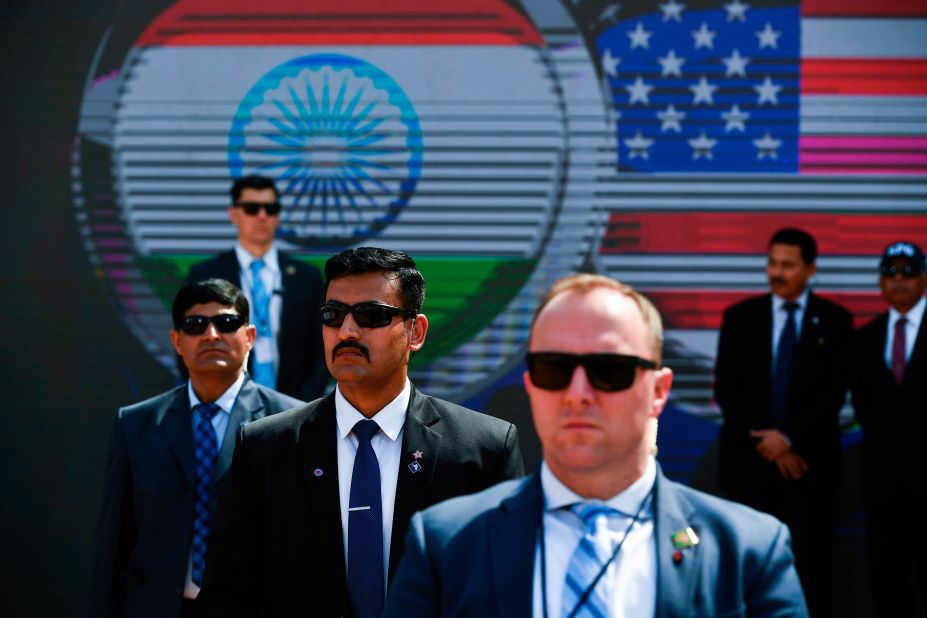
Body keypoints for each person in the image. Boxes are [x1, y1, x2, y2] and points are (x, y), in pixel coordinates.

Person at [384, 273, 808, 617]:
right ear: (532, 386)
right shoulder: (444, 544)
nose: (578, 393)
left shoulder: (749, 550)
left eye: (610, 369)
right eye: (555, 368)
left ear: (659, 391)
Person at [196, 247, 524, 618]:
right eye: (332, 315)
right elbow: (226, 594)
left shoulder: (484, 449)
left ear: (415, 331)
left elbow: (510, 592)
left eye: (371, 315)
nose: (347, 331)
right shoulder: (265, 447)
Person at [88, 279, 304, 618]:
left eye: (226, 323)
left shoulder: (290, 422)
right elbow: (114, 543)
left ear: (250, 337)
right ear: (177, 341)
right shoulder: (136, 425)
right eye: (195, 325)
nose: (211, 335)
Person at [714, 227, 851, 616]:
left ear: (810, 269)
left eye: (787, 265)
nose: (776, 272)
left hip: (806, 470)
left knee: (808, 569)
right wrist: (768, 444)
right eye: (772, 263)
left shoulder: (836, 321)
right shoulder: (741, 317)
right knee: (743, 570)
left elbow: (834, 393)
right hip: (748, 467)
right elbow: (727, 389)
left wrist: (788, 439)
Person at [186, 174, 327, 400]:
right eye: (252, 208)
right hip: (225, 406)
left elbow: (322, 351)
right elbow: (189, 349)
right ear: (233, 214)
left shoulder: (306, 278)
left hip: (295, 408)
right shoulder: (205, 275)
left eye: (271, 209)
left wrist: (301, 406)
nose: (262, 216)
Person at [850, 241, 927, 617]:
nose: (899, 280)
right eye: (890, 272)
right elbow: (865, 406)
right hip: (882, 485)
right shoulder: (865, 337)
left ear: (924, 278)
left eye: (908, 272)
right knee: (886, 582)